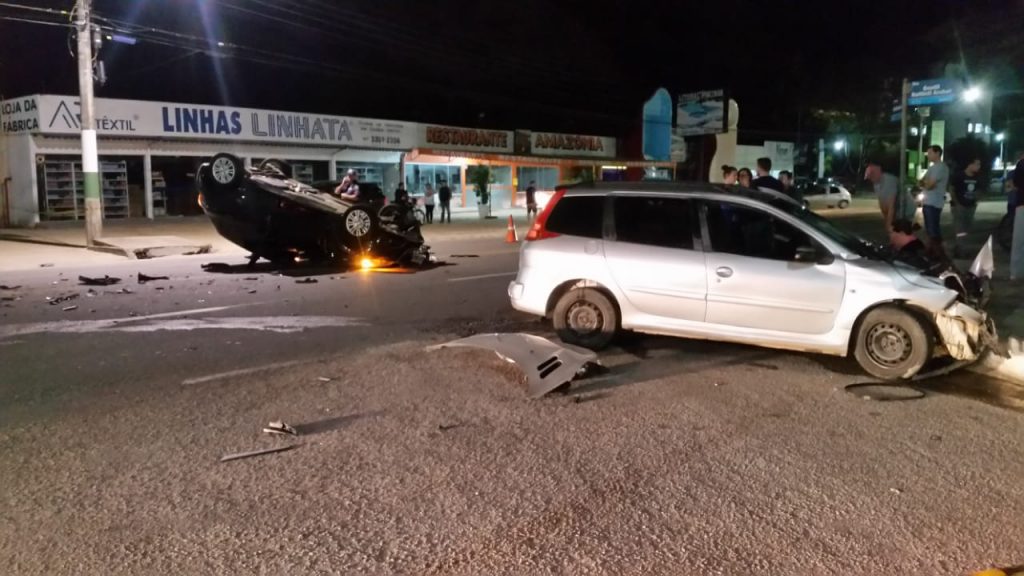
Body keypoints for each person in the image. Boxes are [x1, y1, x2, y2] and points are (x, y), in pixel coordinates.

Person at [919, 145, 950, 259]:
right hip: (929, 201)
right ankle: (932, 251)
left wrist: (925, 184)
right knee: (930, 228)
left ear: (937, 153)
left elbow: (930, 185)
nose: (928, 155)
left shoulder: (941, 167)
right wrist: (925, 183)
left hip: (934, 202)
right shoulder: (932, 168)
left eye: (930, 153)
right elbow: (921, 181)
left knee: (933, 229)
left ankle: (937, 253)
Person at [950, 156, 981, 258]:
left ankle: (958, 249)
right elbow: (952, 189)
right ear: (970, 164)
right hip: (959, 206)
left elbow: (978, 190)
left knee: (966, 230)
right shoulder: (959, 176)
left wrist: (975, 201)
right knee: (960, 230)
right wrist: (956, 203)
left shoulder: (976, 177)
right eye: (977, 164)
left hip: (970, 206)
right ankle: (961, 251)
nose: (978, 167)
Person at [865, 160, 901, 232]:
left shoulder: (889, 181)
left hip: (905, 211)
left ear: (878, 173)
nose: (871, 179)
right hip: (897, 212)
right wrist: (886, 220)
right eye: (869, 177)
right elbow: (882, 203)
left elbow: (891, 206)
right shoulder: (876, 183)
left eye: (872, 176)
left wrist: (889, 224)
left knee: (900, 234)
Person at [1010, 150, 1024, 280]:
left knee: (1019, 240)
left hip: (1022, 205)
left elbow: (1015, 184)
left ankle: (1016, 272)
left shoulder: (1021, 164)